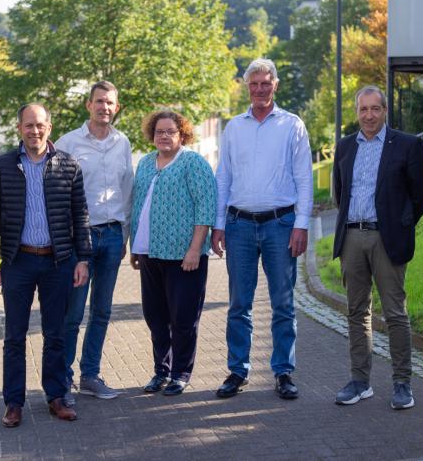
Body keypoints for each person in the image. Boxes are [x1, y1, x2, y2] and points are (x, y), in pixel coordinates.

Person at [0, 103, 91, 426]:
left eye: (40, 125)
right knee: (14, 335)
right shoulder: (3, 167)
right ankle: (13, 402)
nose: (34, 131)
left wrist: (83, 258)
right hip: (18, 261)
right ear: (19, 129)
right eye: (28, 125)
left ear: (50, 127)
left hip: (57, 262)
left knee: (55, 333)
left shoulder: (68, 165)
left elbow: (80, 215)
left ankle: (56, 396)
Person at [212, 58, 313, 400]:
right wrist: (219, 225)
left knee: (282, 303)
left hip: (280, 225)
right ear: (247, 86)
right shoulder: (234, 127)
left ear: (275, 85)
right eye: (254, 84)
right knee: (239, 303)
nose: (259, 89)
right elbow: (223, 177)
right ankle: (237, 370)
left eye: (265, 83)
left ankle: (283, 372)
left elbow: (304, 178)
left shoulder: (292, 125)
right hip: (239, 225)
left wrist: (301, 224)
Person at [332, 85, 423, 410]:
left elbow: (422, 196)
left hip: (387, 239)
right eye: (363, 109)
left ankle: (402, 384)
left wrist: (401, 223)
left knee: (395, 313)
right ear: (357, 112)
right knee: (356, 313)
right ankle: (360, 382)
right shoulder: (345, 147)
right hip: (351, 238)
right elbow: (339, 193)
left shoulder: (407, 145)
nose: (369, 115)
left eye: (375, 109)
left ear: (385, 111)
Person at [54, 81, 133, 404]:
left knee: (101, 310)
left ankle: (90, 375)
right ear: (88, 105)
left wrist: (125, 236)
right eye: (99, 101)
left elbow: (127, 190)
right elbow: (56, 194)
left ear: (116, 107)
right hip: (79, 239)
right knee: (72, 313)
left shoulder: (122, 142)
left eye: (110, 103)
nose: (105, 107)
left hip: (113, 235)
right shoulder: (67, 143)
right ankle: (62, 380)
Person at [129, 111, 217, 396]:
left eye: (170, 131)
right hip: (150, 254)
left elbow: (206, 206)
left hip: (184, 257)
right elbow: (138, 206)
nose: (164, 136)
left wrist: (195, 249)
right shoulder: (144, 163)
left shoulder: (193, 163)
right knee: (155, 317)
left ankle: (181, 373)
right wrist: (135, 246)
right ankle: (161, 371)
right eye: (159, 131)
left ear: (182, 134)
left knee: (183, 318)